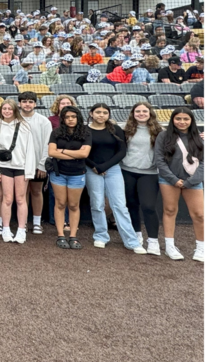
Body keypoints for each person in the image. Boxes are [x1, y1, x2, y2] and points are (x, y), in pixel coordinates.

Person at [84, 103, 147, 254]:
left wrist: (105, 166)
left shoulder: (115, 129)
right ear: (91, 113)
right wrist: (95, 167)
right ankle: (101, 236)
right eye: (98, 112)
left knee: (119, 205)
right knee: (97, 204)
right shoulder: (84, 130)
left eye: (105, 113)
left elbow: (122, 151)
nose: (101, 115)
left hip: (113, 170)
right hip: (92, 170)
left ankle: (131, 241)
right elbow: (82, 152)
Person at [154, 106, 205, 262]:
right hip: (169, 180)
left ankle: (201, 248)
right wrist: (173, 179)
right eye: (178, 119)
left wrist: (191, 181)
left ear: (191, 120)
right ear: (172, 120)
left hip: (193, 181)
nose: (182, 122)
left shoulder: (200, 137)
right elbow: (159, 160)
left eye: (185, 119)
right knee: (169, 210)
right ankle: (170, 246)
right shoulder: (163, 136)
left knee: (199, 215)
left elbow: (205, 161)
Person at [0, 98, 36, 243]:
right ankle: (6, 228)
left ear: (15, 110)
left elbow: (30, 149)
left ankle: (21, 230)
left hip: (21, 167)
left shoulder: (24, 126)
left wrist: (29, 171)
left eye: (10, 109)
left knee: (21, 199)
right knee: (7, 199)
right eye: (4, 109)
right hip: (4, 167)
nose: (7, 111)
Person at [122, 101, 163, 255]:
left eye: (144, 111)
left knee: (148, 206)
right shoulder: (125, 130)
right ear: (133, 114)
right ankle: (136, 235)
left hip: (149, 173)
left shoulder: (159, 131)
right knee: (131, 205)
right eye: (138, 111)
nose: (141, 114)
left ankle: (153, 241)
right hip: (127, 171)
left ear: (150, 113)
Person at [47, 106, 91, 249]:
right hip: (58, 173)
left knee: (73, 205)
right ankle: (60, 235)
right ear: (63, 119)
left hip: (77, 173)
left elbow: (84, 154)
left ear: (78, 117)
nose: (70, 119)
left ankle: (73, 236)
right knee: (60, 203)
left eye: (73, 116)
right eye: (67, 117)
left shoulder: (86, 133)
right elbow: (51, 152)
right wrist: (75, 154)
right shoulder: (56, 132)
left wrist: (63, 151)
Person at [17, 91, 52, 235]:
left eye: (30, 102)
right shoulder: (13, 119)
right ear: (19, 103)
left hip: (38, 165)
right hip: (19, 164)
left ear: (35, 104)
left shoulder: (44, 121)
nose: (27, 104)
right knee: (22, 193)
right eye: (24, 101)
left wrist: (42, 165)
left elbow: (48, 144)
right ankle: (23, 222)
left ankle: (37, 223)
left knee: (37, 192)